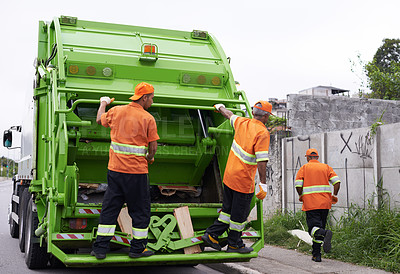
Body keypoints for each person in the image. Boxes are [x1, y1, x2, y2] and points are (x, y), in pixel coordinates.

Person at [91, 82, 159, 259]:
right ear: (144, 98)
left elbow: (99, 120)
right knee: (140, 211)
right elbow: (153, 147)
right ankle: (137, 249)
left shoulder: (116, 111)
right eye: (151, 98)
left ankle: (100, 249)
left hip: (115, 172)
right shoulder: (148, 119)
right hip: (137, 174)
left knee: (110, 208)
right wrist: (150, 158)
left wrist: (103, 103)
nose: (152, 101)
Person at [201, 101, 272, 253]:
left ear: (253, 113)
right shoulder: (262, 133)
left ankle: (212, 235)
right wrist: (263, 184)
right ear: (266, 116)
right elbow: (261, 161)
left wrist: (220, 107)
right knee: (239, 215)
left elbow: (229, 115)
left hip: (229, 176)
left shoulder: (242, 122)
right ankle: (234, 244)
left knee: (227, 211)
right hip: (243, 180)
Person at [295, 148, 341, 262]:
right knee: (318, 228)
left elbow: (298, 185)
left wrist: (301, 195)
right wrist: (334, 195)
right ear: (317, 157)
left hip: (311, 203)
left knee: (313, 230)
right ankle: (316, 255)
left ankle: (325, 233)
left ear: (307, 157)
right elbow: (337, 182)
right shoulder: (326, 167)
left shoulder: (304, 168)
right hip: (325, 204)